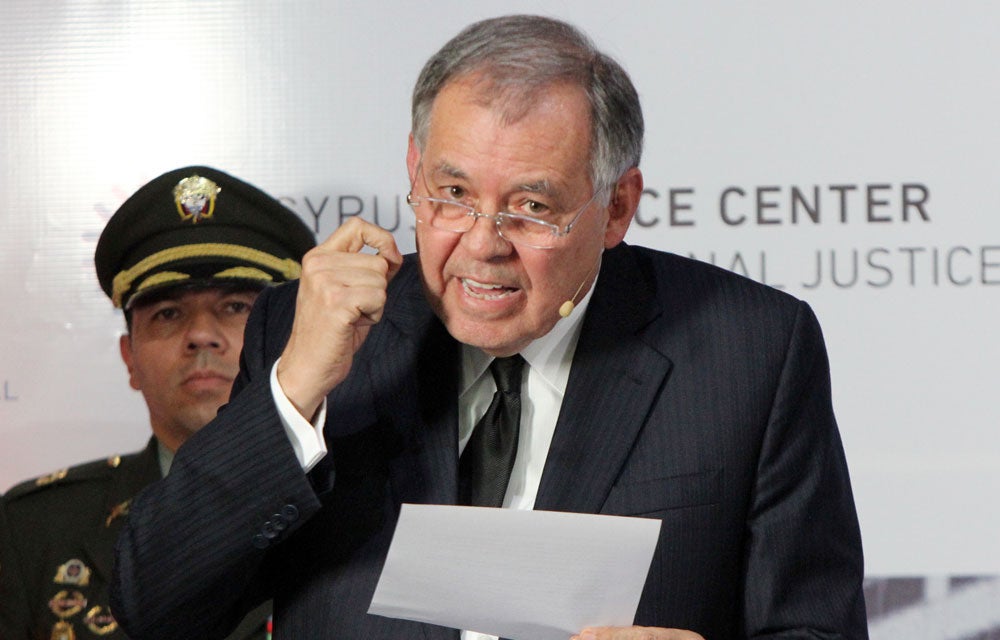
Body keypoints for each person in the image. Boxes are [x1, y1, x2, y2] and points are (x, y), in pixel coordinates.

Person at [111, 16, 868, 640]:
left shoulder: (751, 352)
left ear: (616, 207)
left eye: (531, 208)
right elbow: (154, 607)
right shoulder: (302, 332)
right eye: (452, 194)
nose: (482, 244)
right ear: (413, 169)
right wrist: (294, 393)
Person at [0, 165, 315, 640]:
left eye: (236, 307)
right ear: (129, 357)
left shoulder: (364, 508)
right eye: (168, 314)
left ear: (287, 338)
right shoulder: (34, 528)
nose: (201, 335)